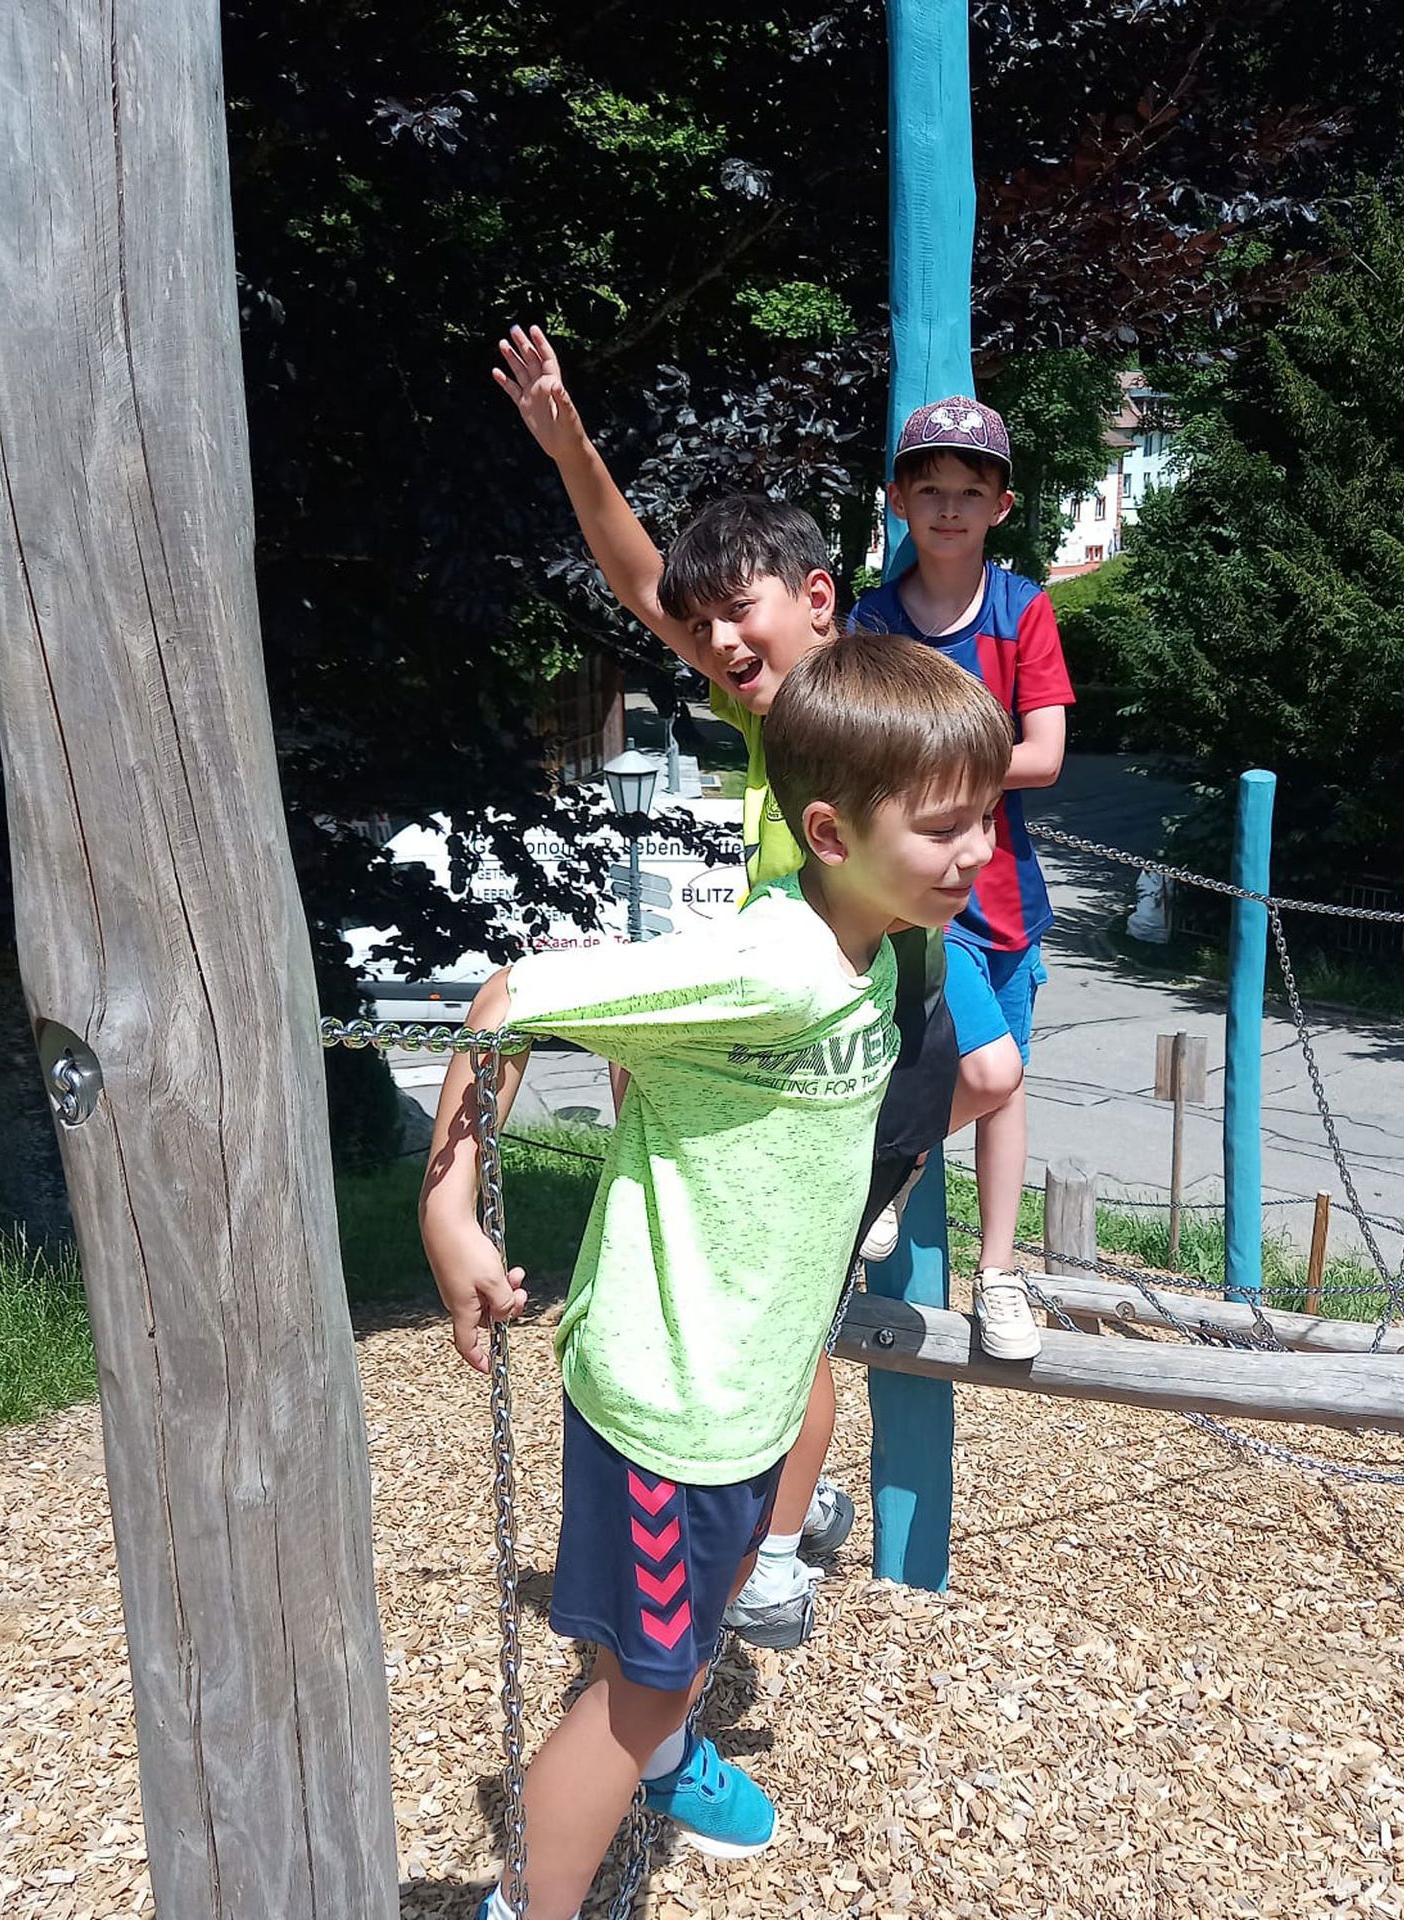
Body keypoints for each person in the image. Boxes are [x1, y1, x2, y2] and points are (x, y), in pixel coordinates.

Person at [422, 633, 1010, 1920]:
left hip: (744, 1388)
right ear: (830, 832)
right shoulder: (766, 968)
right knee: (637, 1692)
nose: (976, 852)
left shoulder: (883, 944)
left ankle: (663, 1748)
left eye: (985, 817)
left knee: (683, 1631)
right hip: (675, 1405)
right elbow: (512, 997)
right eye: (943, 827)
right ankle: (529, 1900)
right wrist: (448, 1211)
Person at [493, 325, 961, 1649]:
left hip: (857, 1035)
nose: (710, 640)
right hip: (797, 1019)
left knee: (790, 1322)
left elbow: (945, 882)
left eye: (737, 614)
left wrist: (931, 1080)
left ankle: (767, 1558)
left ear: (817, 597)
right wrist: (570, 446)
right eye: (700, 631)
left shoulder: (862, 711)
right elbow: (644, 582)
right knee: (766, 1308)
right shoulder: (780, 712)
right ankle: (772, 1520)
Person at [846, 396, 1074, 1363]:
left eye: (969, 492)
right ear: (898, 499)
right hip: (916, 897)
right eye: (930, 488)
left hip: (1006, 892)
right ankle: (883, 1168)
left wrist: (931, 770)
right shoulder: (871, 620)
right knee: (984, 1069)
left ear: (1001, 506)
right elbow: (862, 747)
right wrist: (960, 770)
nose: (948, 508)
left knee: (1006, 1085)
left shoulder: (1024, 611)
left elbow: (1046, 755)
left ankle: (1000, 1271)